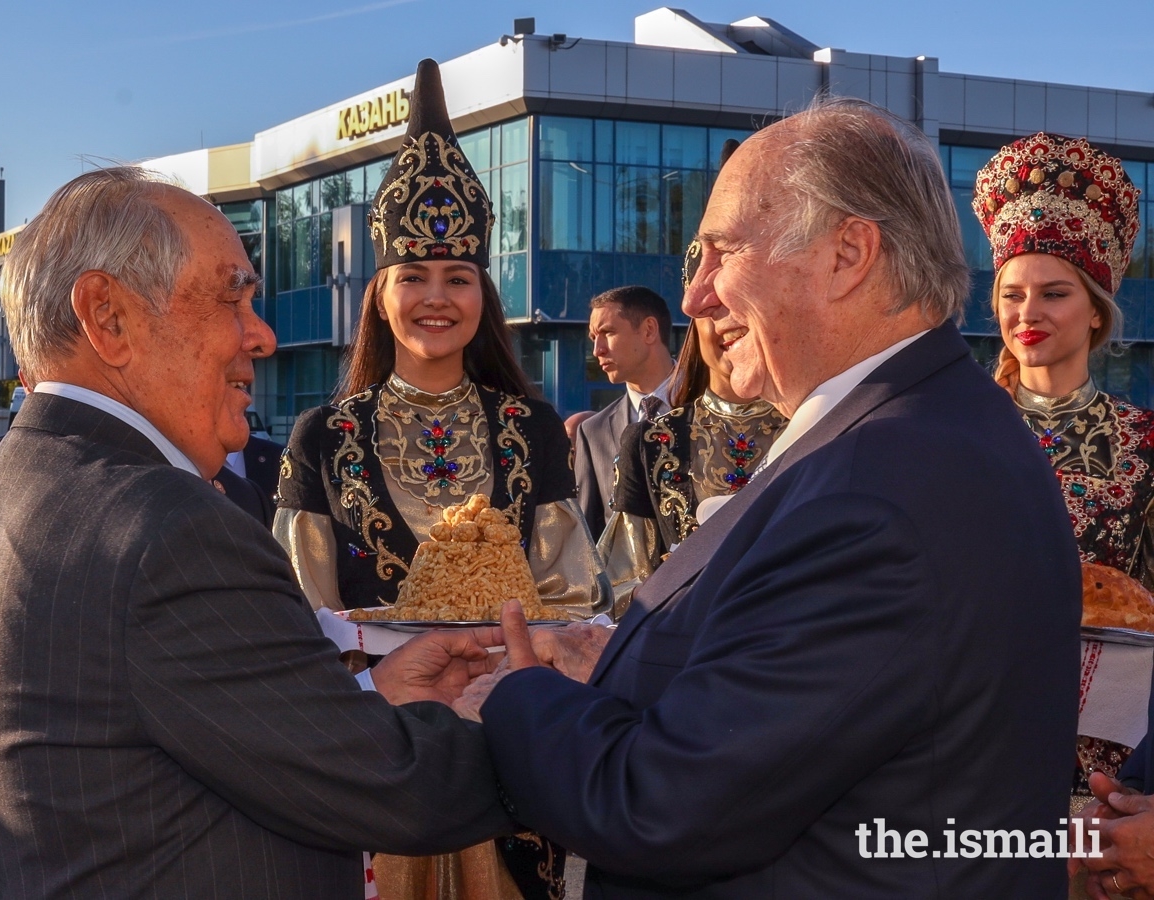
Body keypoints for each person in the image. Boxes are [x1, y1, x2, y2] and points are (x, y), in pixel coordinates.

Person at [456, 97, 1081, 897]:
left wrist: (520, 696)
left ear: (848, 254)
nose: (695, 298)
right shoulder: (927, 427)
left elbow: (662, 806)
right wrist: (611, 669)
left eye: (721, 252)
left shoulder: (877, 488)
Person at [0, 165, 519, 899]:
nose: (262, 336)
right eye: (231, 296)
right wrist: (540, 705)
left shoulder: (16, 482)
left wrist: (366, 699)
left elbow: (181, 724)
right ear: (106, 316)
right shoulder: (166, 529)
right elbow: (407, 790)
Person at [273, 59, 605, 899]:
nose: (436, 296)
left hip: (511, 740)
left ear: (483, 295)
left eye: (458, 277)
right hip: (381, 748)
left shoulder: (528, 426)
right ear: (379, 293)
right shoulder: (326, 436)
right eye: (413, 276)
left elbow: (573, 590)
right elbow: (296, 613)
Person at [969, 134, 1147, 898]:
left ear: (1097, 312)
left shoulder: (1144, 444)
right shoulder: (953, 428)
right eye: (1012, 295)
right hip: (967, 742)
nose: (1028, 312)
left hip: (1108, 761)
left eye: (1054, 292)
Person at [600, 311, 786, 614]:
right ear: (695, 326)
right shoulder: (652, 440)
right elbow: (620, 581)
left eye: (743, 308)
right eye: (716, 311)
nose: (731, 323)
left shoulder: (815, 425)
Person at [575, 286, 676, 538]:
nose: (597, 350)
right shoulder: (592, 432)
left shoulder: (711, 405)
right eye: (593, 338)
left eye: (607, 332)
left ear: (649, 330)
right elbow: (588, 538)